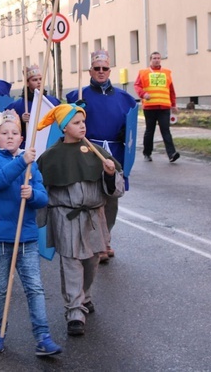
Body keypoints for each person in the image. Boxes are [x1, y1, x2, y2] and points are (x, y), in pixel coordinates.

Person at [36, 103, 124, 337]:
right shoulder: (51, 157)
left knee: (92, 261)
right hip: (66, 215)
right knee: (71, 262)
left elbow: (116, 191)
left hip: (93, 215)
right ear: (64, 128)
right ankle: (74, 310)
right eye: (76, 123)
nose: (82, 126)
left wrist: (109, 173)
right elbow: (41, 191)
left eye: (83, 122)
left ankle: (85, 295)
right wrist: (37, 223)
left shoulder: (98, 152)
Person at [0, 110, 62, 357]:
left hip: (26, 236)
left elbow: (43, 196)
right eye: (4, 133)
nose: (10, 137)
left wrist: (32, 195)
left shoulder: (30, 164)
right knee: (1, 289)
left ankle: (43, 336)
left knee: (35, 288)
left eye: (15, 133)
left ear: (21, 137)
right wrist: (21, 161)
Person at [65, 50, 136, 262]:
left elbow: (131, 128)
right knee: (94, 199)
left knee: (112, 199)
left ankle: (106, 237)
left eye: (105, 68)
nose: (101, 72)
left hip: (114, 152)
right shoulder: (78, 96)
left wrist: (125, 133)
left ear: (110, 70)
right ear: (91, 71)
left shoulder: (125, 99)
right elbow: (66, 125)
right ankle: (99, 243)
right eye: (97, 69)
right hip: (89, 151)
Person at [135, 51, 180, 163]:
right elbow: (137, 85)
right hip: (150, 107)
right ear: (150, 60)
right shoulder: (143, 72)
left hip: (164, 107)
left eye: (158, 58)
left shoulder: (166, 73)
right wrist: (143, 94)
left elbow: (171, 90)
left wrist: (173, 105)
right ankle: (147, 153)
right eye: (154, 58)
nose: (157, 60)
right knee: (150, 131)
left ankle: (172, 154)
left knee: (166, 131)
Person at [10, 64, 60, 147]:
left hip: (49, 143)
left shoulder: (53, 102)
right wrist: (20, 120)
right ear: (27, 83)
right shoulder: (17, 106)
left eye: (41, 79)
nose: (39, 82)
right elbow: (9, 126)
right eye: (35, 80)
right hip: (28, 145)